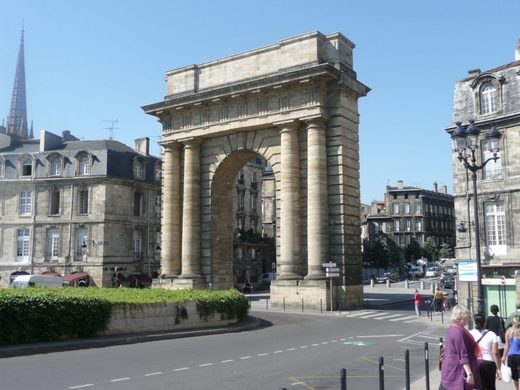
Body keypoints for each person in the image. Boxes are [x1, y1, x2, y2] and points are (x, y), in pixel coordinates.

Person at [440, 304, 480, 390]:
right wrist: (470, 374)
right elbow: (463, 356)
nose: (468, 318)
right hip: (457, 373)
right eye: (467, 316)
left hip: (450, 370)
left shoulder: (453, 328)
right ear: (462, 317)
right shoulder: (458, 332)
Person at [470, 313, 502, 390]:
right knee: (490, 386)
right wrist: (499, 368)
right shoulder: (491, 334)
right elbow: (495, 353)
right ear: (485, 323)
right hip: (489, 363)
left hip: (476, 363)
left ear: (474, 322)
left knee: (479, 387)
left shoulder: (470, 333)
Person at [502, 315, 520, 390]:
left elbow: (507, 345)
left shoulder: (508, 332)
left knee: (514, 374)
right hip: (519, 355)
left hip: (511, 355)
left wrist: (504, 356)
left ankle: (516, 389)